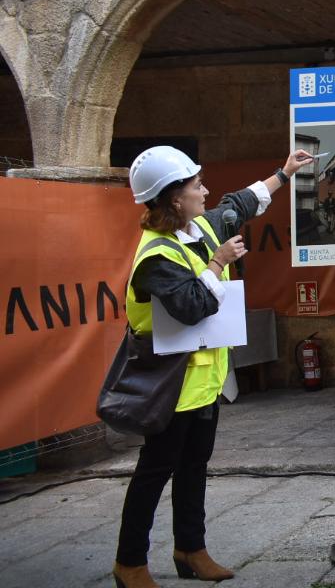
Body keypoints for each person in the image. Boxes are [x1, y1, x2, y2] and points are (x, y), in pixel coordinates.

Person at [113, 145, 312, 588]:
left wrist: (284, 172)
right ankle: (129, 564)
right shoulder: (155, 258)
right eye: (195, 185)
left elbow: (238, 204)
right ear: (172, 198)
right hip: (168, 389)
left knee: (193, 467)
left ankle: (190, 550)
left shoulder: (196, 227)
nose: (205, 190)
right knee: (153, 474)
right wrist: (219, 261)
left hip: (201, 384)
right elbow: (190, 306)